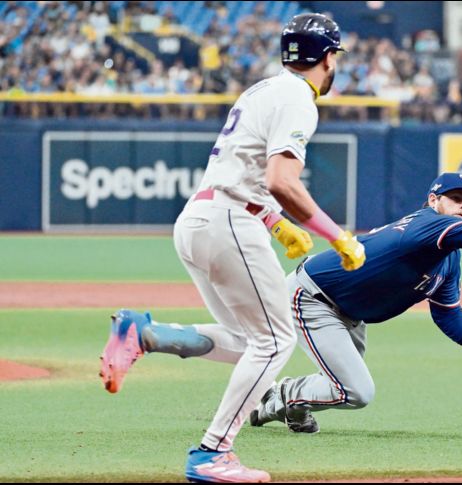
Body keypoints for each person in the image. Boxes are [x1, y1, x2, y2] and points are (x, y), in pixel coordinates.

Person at [98, 13, 366, 483]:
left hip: (200, 218)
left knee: (248, 341)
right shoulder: (299, 99)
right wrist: (336, 235)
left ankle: (146, 334)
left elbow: (241, 174)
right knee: (277, 341)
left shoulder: (261, 90)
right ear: (328, 57)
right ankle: (211, 453)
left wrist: (277, 224)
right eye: (335, 58)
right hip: (229, 223)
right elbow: (281, 181)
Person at [249, 172, 462, 433]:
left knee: (340, 383)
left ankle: (287, 405)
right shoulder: (426, 224)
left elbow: (447, 314)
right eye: (456, 198)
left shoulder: (449, 259)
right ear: (433, 201)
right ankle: (284, 395)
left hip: (349, 311)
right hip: (313, 297)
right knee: (356, 391)